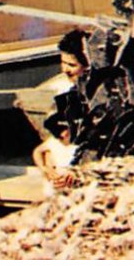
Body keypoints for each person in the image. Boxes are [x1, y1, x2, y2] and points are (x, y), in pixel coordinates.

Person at [31, 30, 89, 192]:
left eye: (72, 65)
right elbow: (42, 149)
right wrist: (46, 168)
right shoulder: (66, 94)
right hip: (59, 172)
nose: (65, 70)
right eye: (63, 63)